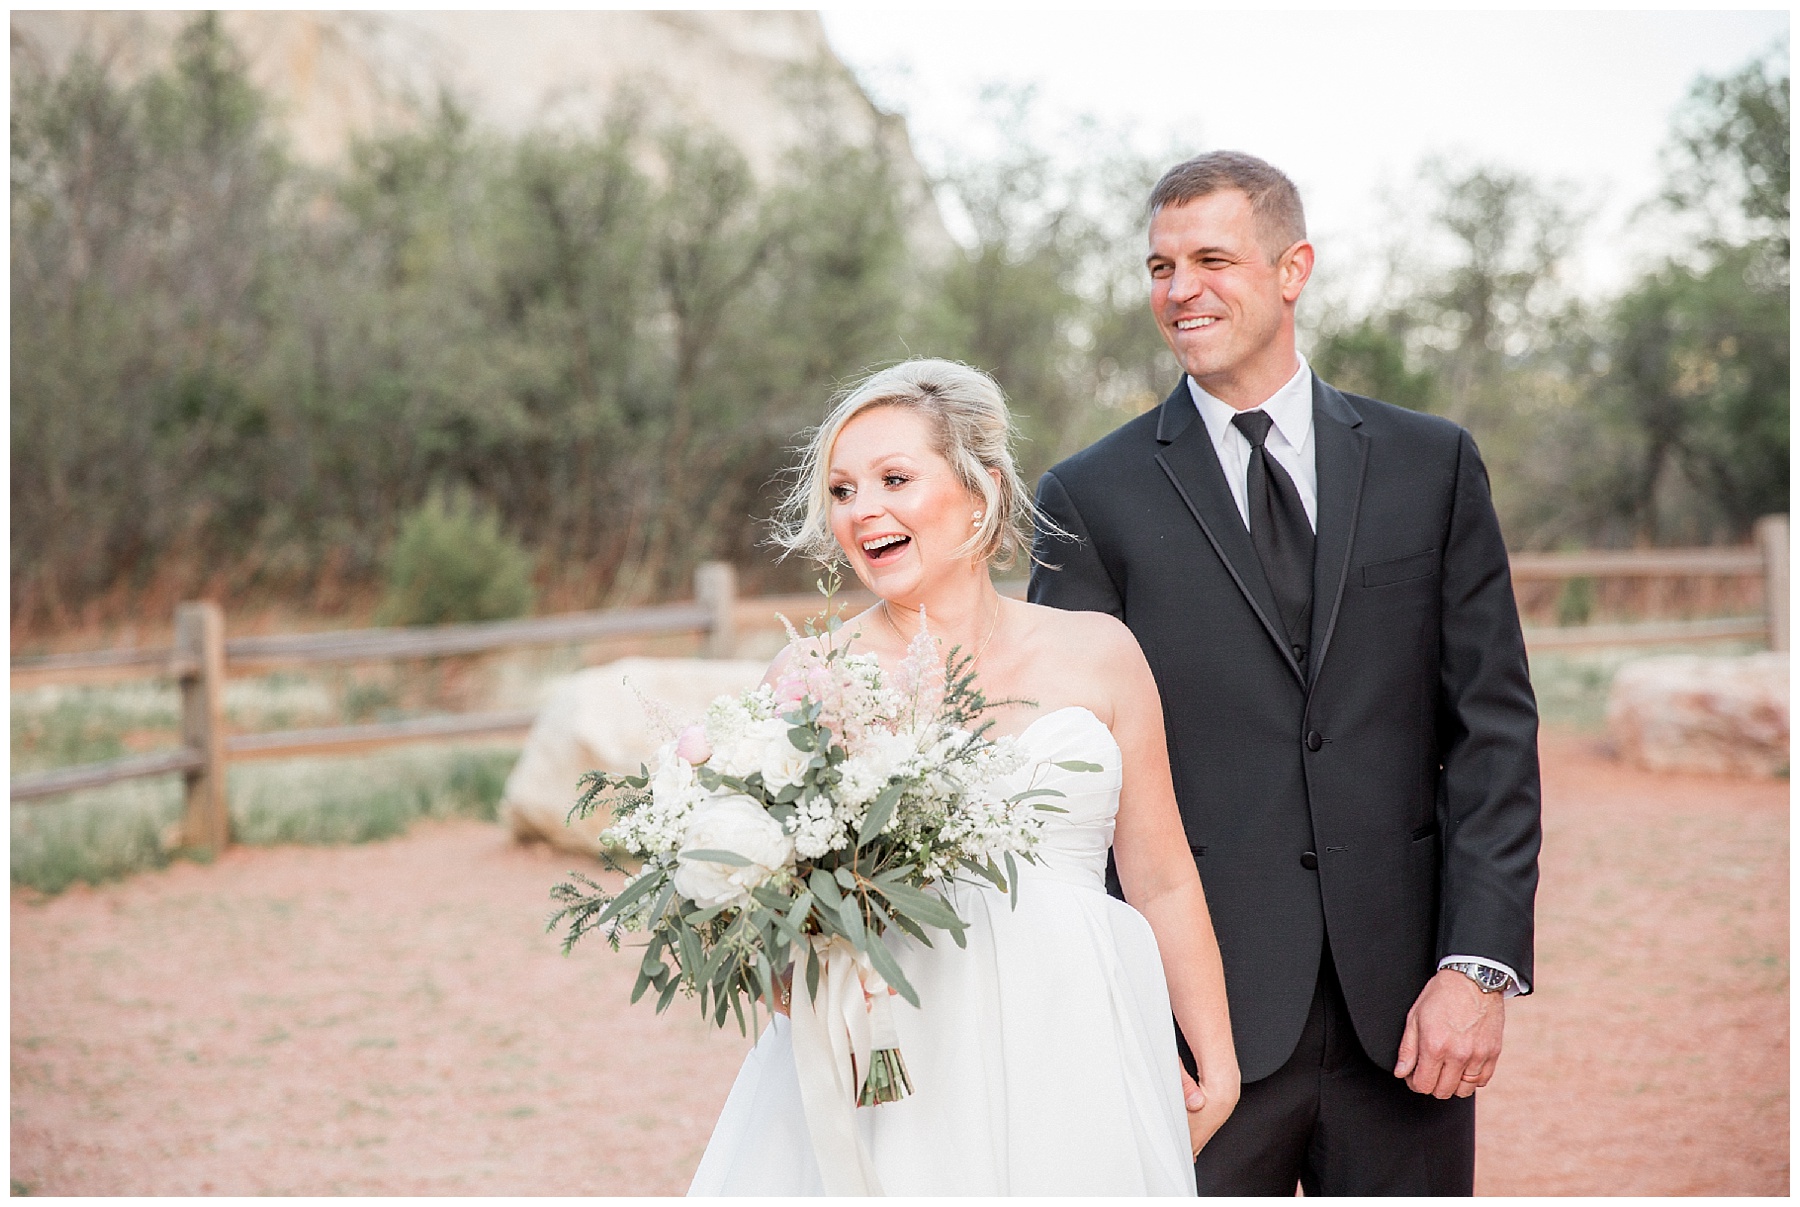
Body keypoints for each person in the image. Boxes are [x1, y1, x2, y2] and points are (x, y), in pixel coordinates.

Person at [1029, 151, 1542, 1196]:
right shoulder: (1088, 496)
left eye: (1211, 258)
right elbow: (1065, 776)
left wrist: (1477, 964)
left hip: (1407, 1012)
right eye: (1160, 266)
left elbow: (1491, 729)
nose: (1180, 290)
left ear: (1292, 268)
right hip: (1192, 1026)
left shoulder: (1431, 464)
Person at [688, 358, 1240, 1196]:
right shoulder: (810, 681)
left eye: (894, 478)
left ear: (978, 489)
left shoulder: (1101, 653)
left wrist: (1218, 1059)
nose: (862, 510)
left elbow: (1160, 875)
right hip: (900, 1075)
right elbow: (766, 928)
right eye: (841, 491)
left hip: (1074, 1053)